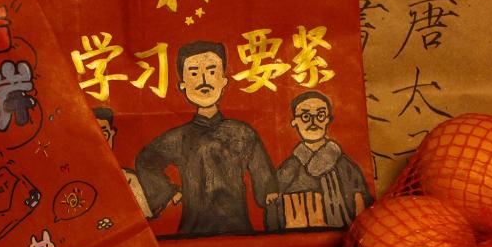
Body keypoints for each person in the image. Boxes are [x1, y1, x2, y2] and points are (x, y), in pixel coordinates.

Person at [135, 41, 279, 235]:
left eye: (211, 71)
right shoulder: (180, 137)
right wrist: (167, 192)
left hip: (238, 226)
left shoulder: (242, 132)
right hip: (193, 227)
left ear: (223, 81)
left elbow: (263, 173)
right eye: (194, 73)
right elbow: (146, 160)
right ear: (183, 85)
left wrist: (268, 191)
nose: (204, 80)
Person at [276, 91, 373, 229]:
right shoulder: (287, 170)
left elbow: (364, 207)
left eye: (320, 115)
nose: (313, 122)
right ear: (294, 122)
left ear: (328, 119)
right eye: (305, 116)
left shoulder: (347, 167)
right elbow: (274, 210)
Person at [93, 107, 152, 218]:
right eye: (92, 137)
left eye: (104, 135)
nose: (99, 143)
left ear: (112, 134)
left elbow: (145, 217)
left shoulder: (128, 179)